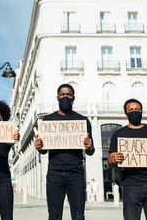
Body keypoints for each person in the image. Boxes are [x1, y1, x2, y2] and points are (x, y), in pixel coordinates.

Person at [34, 83, 94, 220]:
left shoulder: (83, 120)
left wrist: (89, 146)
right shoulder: (48, 120)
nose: (65, 97)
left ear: (73, 98)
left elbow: (90, 151)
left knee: (78, 215)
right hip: (55, 173)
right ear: (57, 97)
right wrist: (39, 147)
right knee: (54, 215)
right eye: (63, 95)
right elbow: (44, 151)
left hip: (76, 173)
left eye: (68, 95)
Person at [108, 99, 147, 220]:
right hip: (131, 184)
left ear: (141, 111)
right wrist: (115, 159)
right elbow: (110, 161)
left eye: (137, 109)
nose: (134, 111)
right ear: (126, 113)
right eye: (131, 110)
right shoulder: (119, 134)